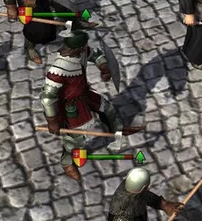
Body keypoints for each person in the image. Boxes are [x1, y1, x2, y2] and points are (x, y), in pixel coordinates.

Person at [40, 29, 141, 182]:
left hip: (85, 95)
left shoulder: (80, 53)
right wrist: (52, 120)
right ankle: (67, 163)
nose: (85, 48)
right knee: (76, 140)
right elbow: (48, 98)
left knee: (107, 108)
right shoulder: (58, 71)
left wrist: (104, 67)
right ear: (77, 47)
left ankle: (117, 130)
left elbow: (95, 55)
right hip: (70, 107)